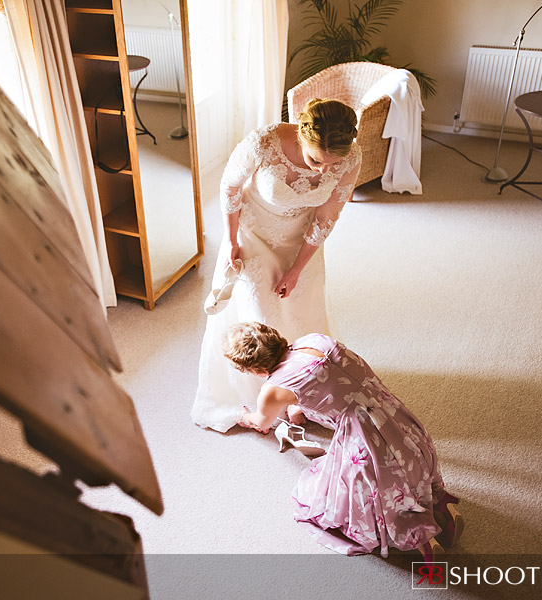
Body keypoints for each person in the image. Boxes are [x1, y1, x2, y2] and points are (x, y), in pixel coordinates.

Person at [224, 322, 464, 561]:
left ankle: (424, 541)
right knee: (408, 468)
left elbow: (263, 421)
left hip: (370, 442)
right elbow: (328, 382)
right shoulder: (317, 340)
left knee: (356, 492)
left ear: (254, 370)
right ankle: (441, 507)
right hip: (400, 421)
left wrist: (243, 416)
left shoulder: (272, 390)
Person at [191, 98, 363, 433]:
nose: (322, 171)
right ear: (301, 134)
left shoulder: (351, 156)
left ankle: (300, 393)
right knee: (262, 313)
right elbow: (229, 188)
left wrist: (297, 268)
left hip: (302, 239)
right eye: (315, 159)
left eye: (332, 163)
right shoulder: (263, 143)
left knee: (303, 309)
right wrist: (232, 241)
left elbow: (327, 216)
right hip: (253, 234)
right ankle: (269, 400)